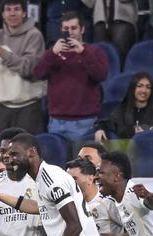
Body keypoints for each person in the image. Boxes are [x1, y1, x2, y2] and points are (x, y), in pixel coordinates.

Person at [34, 10, 108, 142]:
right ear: (61, 30)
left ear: (82, 29)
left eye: (74, 28)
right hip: (56, 121)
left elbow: (100, 75)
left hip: (84, 122)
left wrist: (83, 52)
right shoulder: (53, 53)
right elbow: (38, 74)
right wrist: (52, 53)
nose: (70, 32)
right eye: (66, 29)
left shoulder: (94, 52)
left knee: (81, 156)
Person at [0, 0, 45, 135]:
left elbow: (27, 68)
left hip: (28, 108)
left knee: (26, 148)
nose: (12, 13)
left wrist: (0, 51)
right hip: (1, 109)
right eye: (8, 9)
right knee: (1, 148)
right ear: (3, 14)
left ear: (24, 13)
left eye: (16, 9)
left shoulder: (34, 35)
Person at [94, 72, 153, 141]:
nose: (144, 90)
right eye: (140, 86)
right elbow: (106, 122)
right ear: (133, 89)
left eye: (148, 87)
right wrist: (99, 129)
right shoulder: (122, 110)